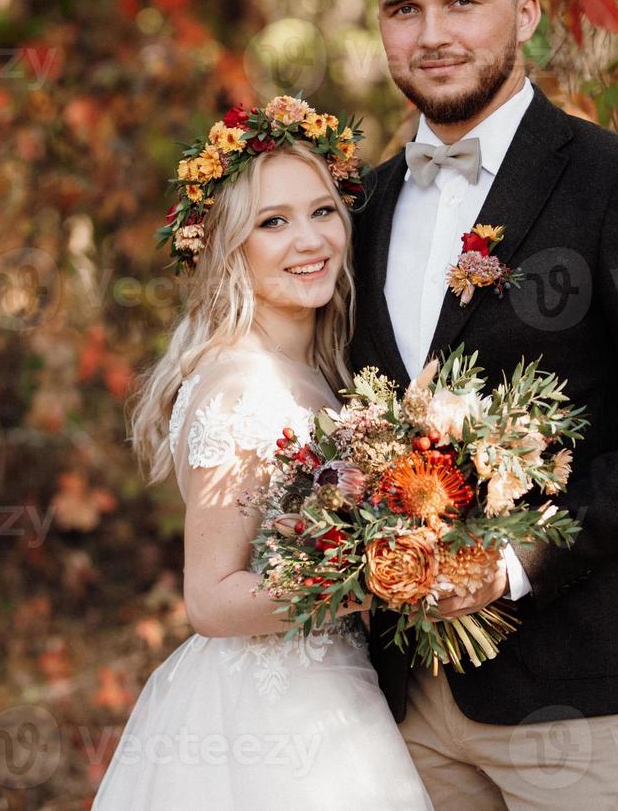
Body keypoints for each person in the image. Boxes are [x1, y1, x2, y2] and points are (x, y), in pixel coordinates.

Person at [348, 0, 618, 809]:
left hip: (581, 696)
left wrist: (516, 561)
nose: (432, 32)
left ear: (524, 14)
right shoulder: (356, 210)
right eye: (404, 8)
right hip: (401, 706)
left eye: (461, 1)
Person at [92, 99, 432, 809]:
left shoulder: (318, 372)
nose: (308, 241)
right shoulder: (239, 386)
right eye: (271, 223)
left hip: (339, 696)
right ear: (227, 247)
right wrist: (380, 578)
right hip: (273, 729)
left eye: (322, 211)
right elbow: (211, 600)